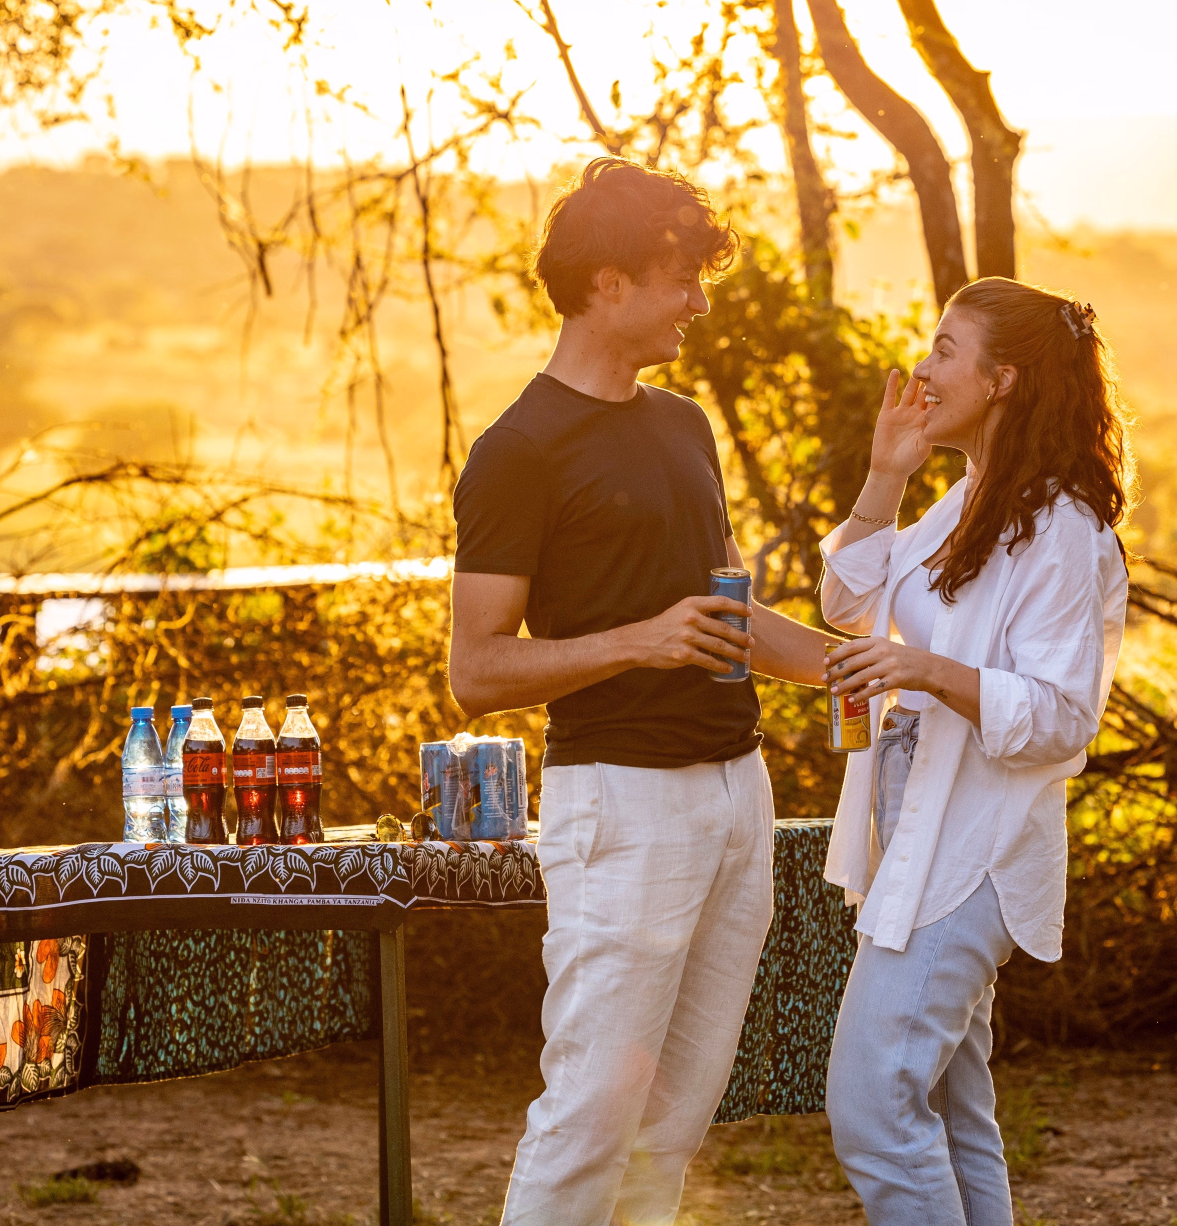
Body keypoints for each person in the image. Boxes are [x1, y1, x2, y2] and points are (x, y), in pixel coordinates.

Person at [448, 156, 834, 1226]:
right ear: (606, 283)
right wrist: (636, 640)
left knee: (673, 1120)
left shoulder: (683, 426)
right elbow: (476, 668)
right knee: (590, 1117)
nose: (700, 303)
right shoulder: (518, 450)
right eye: (681, 279)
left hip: (736, 793)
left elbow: (721, 620)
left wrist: (864, 665)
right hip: (621, 805)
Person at [817, 277, 1134, 1226]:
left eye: (946, 348)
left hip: (973, 850)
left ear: (1002, 379)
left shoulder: (1063, 531)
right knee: (954, 1115)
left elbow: (1061, 716)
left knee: (873, 1107)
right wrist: (885, 475)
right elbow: (845, 606)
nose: (924, 365)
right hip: (913, 829)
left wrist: (927, 669)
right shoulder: (965, 502)